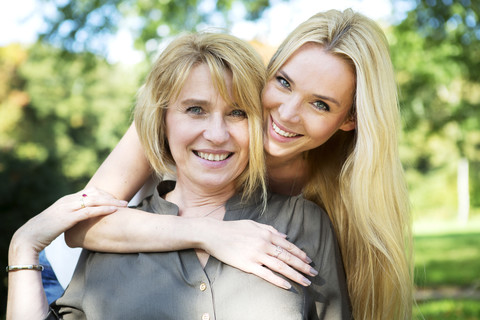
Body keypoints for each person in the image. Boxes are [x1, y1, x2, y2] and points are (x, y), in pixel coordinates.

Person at [58, 9, 412, 319]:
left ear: (350, 118)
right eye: (284, 82)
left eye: (320, 104)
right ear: (268, 72)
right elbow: (79, 226)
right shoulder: (205, 94)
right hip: (75, 275)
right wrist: (210, 232)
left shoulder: (331, 193)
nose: (287, 114)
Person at [7, 31, 351, 319]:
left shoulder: (304, 222)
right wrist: (23, 247)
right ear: (162, 123)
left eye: (237, 112)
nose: (217, 134)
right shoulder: (106, 235)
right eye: (195, 110)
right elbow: (79, 225)